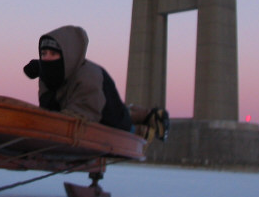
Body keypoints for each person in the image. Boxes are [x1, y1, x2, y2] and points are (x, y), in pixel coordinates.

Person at [23, 25, 169, 139]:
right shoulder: (47, 73)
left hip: (106, 115)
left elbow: (80, 117)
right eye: (43, 54)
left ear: (67, 55)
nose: (46, 59)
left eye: (53, 53)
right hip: (78, 105)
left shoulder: (88, 77)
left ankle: (148, 124)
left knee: (122, 124)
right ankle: (140, 114)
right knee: (123, 112)